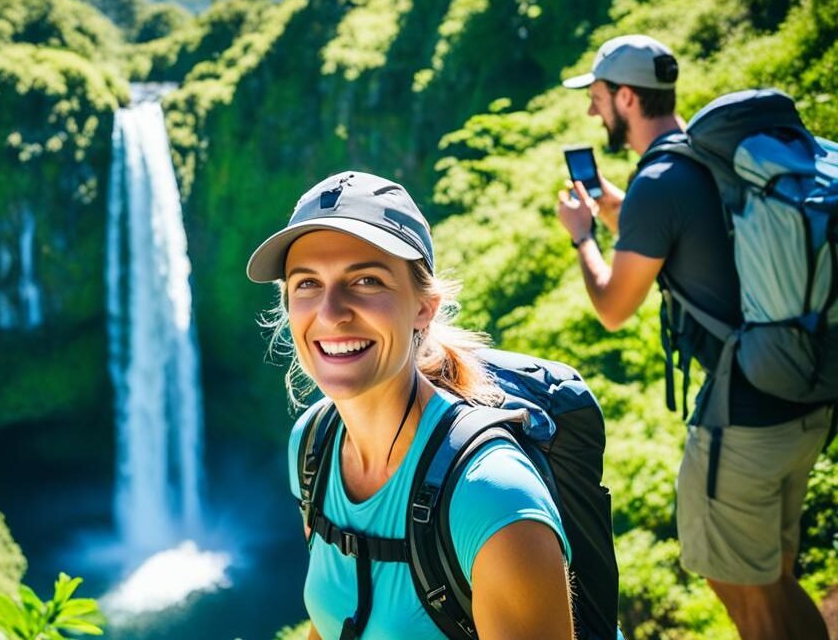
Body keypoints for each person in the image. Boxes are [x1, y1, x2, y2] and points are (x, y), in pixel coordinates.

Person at [556, 34, 831, 640]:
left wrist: (583, 236)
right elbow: (688, 233)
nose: (591, 111)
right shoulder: (710, 157)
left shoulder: (660, 183)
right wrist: (612, 209)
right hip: (801, 388)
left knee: (744, 591)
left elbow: (612, 306)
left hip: (745, 411)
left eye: (597, 97)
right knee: (776, 580)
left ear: (626, 97)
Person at [248, 171, 574, 639]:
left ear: (424, 307)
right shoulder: (313, 445)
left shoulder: (491, 497)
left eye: (365, 280)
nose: (330, 312)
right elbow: (332, 616)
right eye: (306, 284)